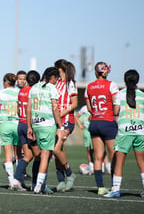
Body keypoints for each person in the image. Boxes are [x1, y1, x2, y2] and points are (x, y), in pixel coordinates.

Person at [104, 70, 144, 198]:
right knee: (142, 162)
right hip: (140, 131)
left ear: (125, 80)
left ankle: (116, 190)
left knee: (119, 162)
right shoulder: (143, 95)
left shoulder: (120, 94)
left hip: (125, 131)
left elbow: (115, 112)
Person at [27, 67, 65, 194]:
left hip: (36, 124)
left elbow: (29, 108)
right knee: (45, 156)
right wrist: (61, 126)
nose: (57, 81)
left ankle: (37, 184)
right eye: (57, 79)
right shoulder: (52, 88)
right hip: (48, 125)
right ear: (52, 77)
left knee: (39, 156)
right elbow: (55, 108)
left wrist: (29, 126)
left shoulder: (34, 87)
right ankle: (39, 185)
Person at [84, 62, 118, 195]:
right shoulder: (111, 84)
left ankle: (100, 187)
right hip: (108, 122)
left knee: (97, 157)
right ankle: (115, 186)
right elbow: (116, 104)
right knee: (114, 156)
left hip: (95, 123)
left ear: (95, 72)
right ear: (106, 71)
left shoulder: (89, 86)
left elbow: (89, 108)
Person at [53, 59, 77, 192]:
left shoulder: (70, 83)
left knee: (56, 150)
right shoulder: (57, 83)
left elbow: (74, 104)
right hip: (56, 121)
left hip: (67, 120)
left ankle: (69, 174)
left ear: (60, 69)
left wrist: (61, 113)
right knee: (58, 151)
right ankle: (61, 181)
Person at [0, 73, 23, 190]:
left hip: (4, 124)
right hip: (17, 124)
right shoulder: (19, 93)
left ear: (5, 82)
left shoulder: (1, 93)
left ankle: (11, 182)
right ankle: (18, 180)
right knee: (18, 155)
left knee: (8, 155)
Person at [75, 105, 94, 174]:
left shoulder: (95, 106)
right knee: (89, 150)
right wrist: (80, 125)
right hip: (87, 130)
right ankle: (91, 168)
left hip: (95, 129)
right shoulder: (84, 108)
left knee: (98, 149)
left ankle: (103, 167)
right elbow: (76, 116)